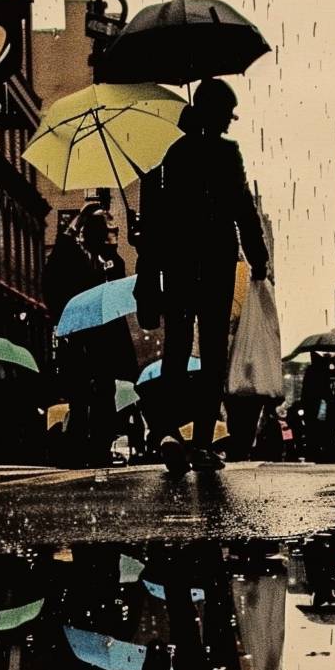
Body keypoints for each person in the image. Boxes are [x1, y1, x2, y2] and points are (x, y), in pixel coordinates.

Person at [139, 80, 269, 475]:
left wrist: (148, 284)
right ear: (216, 113)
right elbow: (243, 208)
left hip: (177, 266)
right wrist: (257, 256)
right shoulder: (226, 153)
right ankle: (199, 445)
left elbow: (154, 228)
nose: (229, 125)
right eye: (227, 116)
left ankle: (167, 432)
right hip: (214, 264)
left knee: (175, 352)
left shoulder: (170, 158)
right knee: (212, 355)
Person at [43, 203, 138, 467]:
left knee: (104, 396)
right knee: (79, 398)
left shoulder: (113, 264)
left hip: (105, 341)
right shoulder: (71, 256)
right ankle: (76, 452)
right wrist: (79, 219)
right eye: (103, 230)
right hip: (77, 338)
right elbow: (52, 275)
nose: (108, 236)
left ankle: (99, 449)